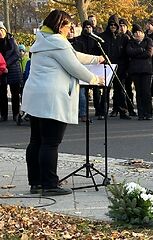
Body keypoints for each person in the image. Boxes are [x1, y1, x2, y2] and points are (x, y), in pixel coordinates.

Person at [22, 10, 104, 196]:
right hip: (51, 98)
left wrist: (96, 59)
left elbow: (74, 55)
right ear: (60, 26)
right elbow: (74, 66)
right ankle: (50, 184)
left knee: (36, 140)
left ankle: (36, 183)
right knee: (50, 142)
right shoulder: (58, 43)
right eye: (69, 27)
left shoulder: (43, 39)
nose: (70, 30)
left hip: (35, 96)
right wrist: (95, 79)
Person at [99, 14, 130, 120]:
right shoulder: (103, 37)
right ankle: (103, 112)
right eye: (111, 24)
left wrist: (126, 69)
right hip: (107, 67)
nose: (113, 26)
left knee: (120, 90)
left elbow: (127, 55)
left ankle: (123, 111)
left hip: (120, 67)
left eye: (115, 25)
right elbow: (98, 51)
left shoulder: (124, 37)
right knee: (106, 90)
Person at [73, 20, 100, 122]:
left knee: (95, 92)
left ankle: (96, 111)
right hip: (81, 68)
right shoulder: (78, 40)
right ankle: (81, 113)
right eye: (86, 27)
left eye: (90, 27)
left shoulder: (95, 39)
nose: (88, 29)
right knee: (81, 92)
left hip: (93, 67)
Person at [126, 24, 153, 120]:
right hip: (135, 71)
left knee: (146, 92)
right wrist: (140, 50)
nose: (138, 34)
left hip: (146, 70)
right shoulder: (131, 42)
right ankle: (141, 113)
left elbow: (149, 53)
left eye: (139, 32)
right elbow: (129, 52)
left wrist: (136, 54)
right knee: (139, 92)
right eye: (135, 33)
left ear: (142, 33)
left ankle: (148, 112)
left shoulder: (148, 40)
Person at [0, 21, 22, 122]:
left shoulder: (12, 40)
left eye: (1, 30)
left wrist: (6, 64)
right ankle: (3, 115)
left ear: (5, 30)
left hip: (13, 69)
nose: (0, 32)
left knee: (15, 94)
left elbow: (16, 54)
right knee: (2, 94)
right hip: (1, 70)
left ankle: (16, 114)